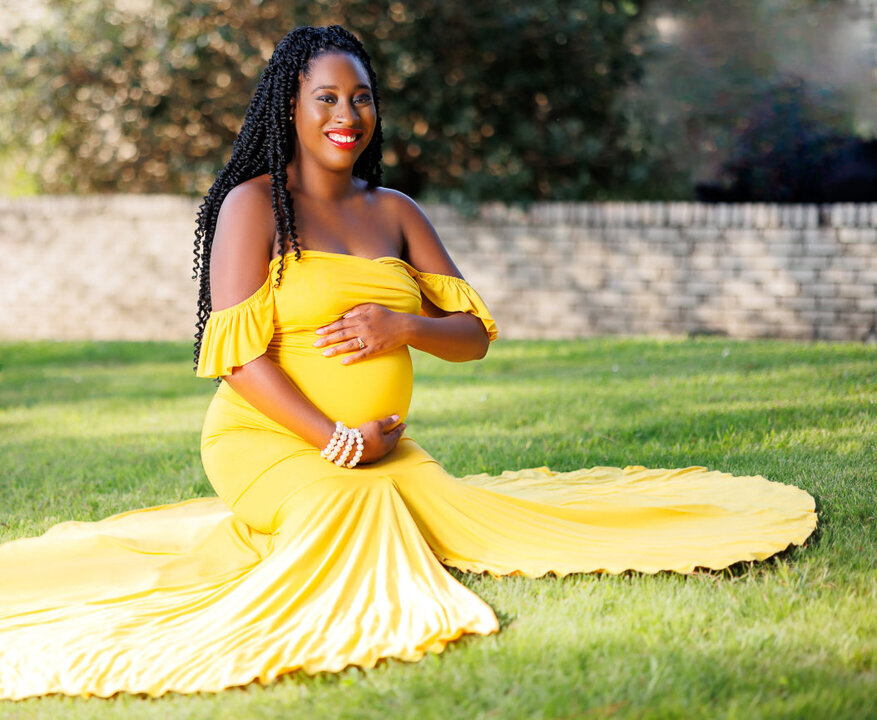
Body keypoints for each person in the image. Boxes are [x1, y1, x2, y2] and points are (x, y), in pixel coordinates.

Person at [0, 26, 816, 700]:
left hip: (380, 442)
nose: (346, 114)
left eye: (360, 97)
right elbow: (238, 361)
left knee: (475, 522)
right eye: (326, 97)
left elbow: (473, 334)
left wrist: (403, 327)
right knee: (352, 517)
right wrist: (339, 439)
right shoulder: (253, 205)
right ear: (290, 107)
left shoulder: (395, 212)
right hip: (269, 439)